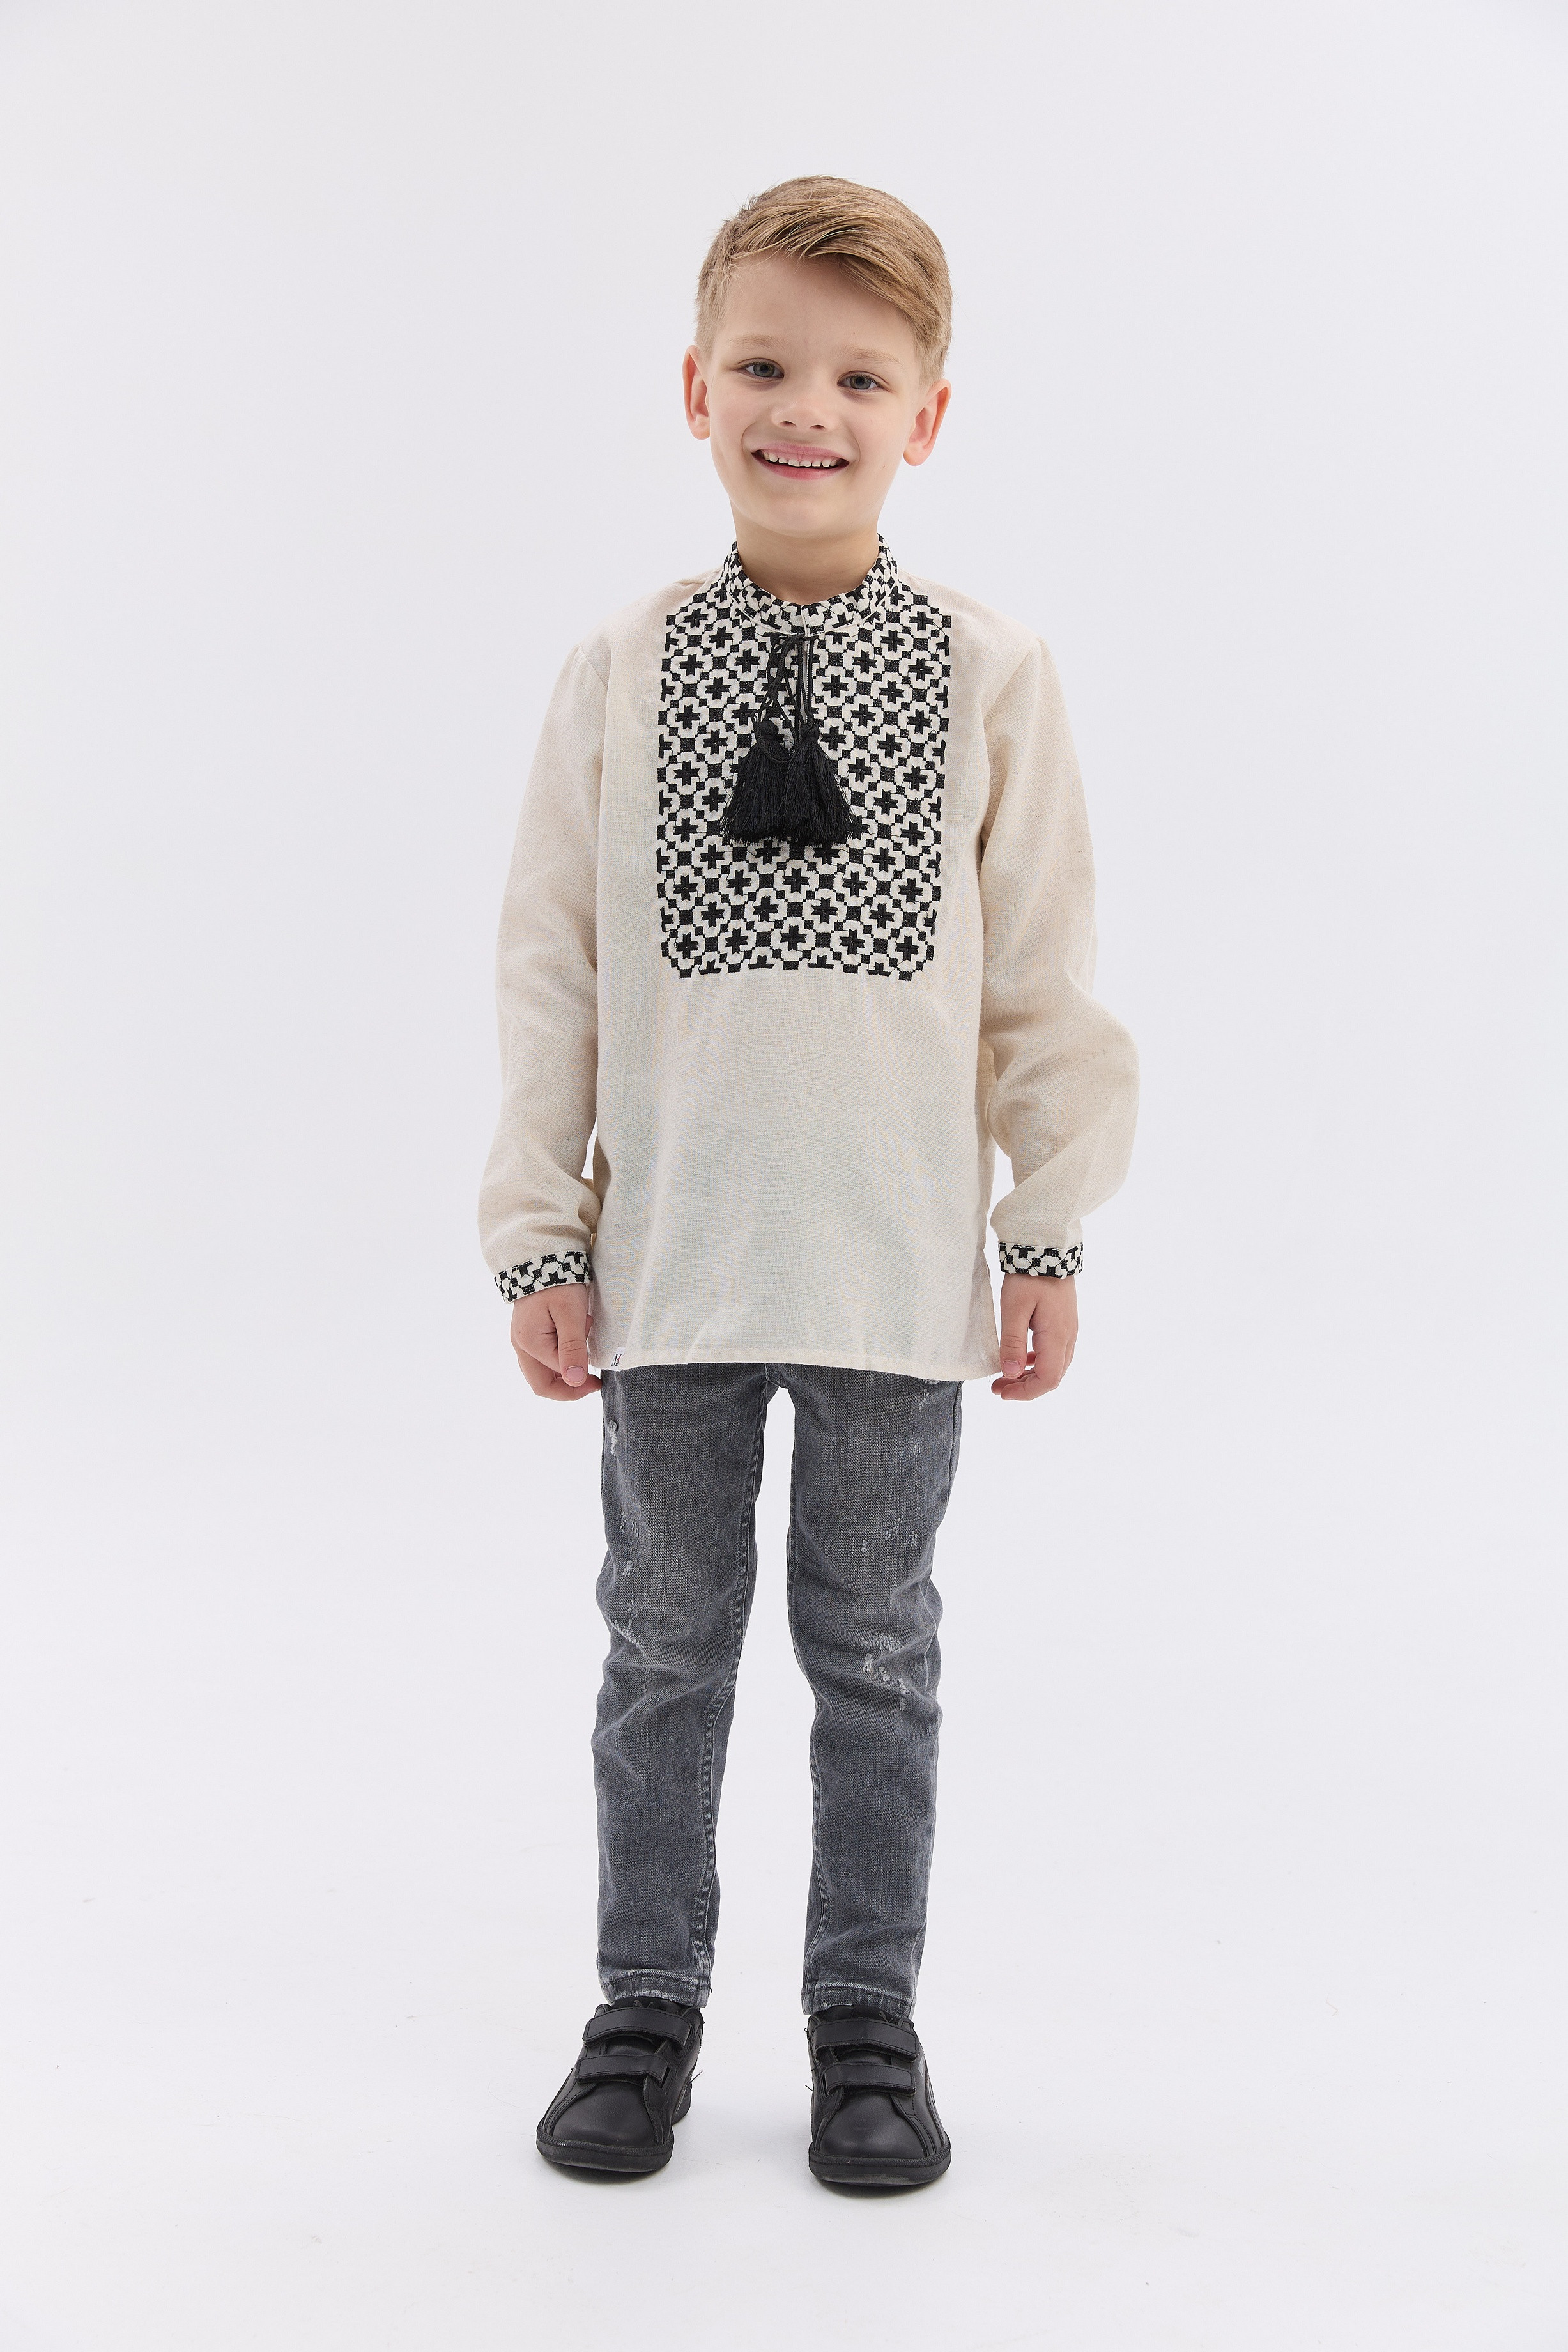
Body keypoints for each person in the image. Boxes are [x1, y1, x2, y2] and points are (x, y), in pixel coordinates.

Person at [478, 176, 1138, 2189]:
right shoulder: (619, 665)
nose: (807, 412)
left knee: (876, 1655)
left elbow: (1042, 976)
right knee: (662, 1652)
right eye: (764, 366)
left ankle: (867, 2025)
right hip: (671, 1264)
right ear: (697, 389)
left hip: (895, 1273)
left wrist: (1045, 1226)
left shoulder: (993, 668)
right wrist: (539, 1232)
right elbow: (550, 963)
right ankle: (643, 2011)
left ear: (926, 415)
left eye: (859, 379)